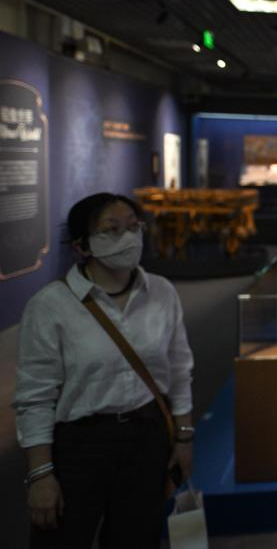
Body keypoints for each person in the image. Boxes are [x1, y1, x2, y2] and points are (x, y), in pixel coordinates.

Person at [13, 192, 195, 548]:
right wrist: (41, 474)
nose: (127, 238)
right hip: (81, 445)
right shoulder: (50, 306)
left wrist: (184, 437)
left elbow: (178, 370)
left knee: (136, 538)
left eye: (133, 227)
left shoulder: (162, 293)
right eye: (111, 230)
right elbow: (35, 396)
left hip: (147, 437)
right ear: (82, 246)